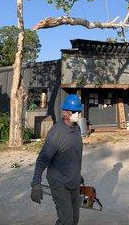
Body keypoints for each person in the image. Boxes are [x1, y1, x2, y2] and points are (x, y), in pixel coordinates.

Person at [31, 94, 84, 225]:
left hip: (73, 181)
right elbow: (42, 159)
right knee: (67, 221)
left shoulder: (77, 129)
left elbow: (74, 154)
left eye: (79, 111)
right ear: (65, 112)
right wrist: (36, 184)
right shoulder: (56, 133)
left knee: (75, 220)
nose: (77, 114)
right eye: (74, 111)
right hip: (59, 182)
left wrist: (78, 175)